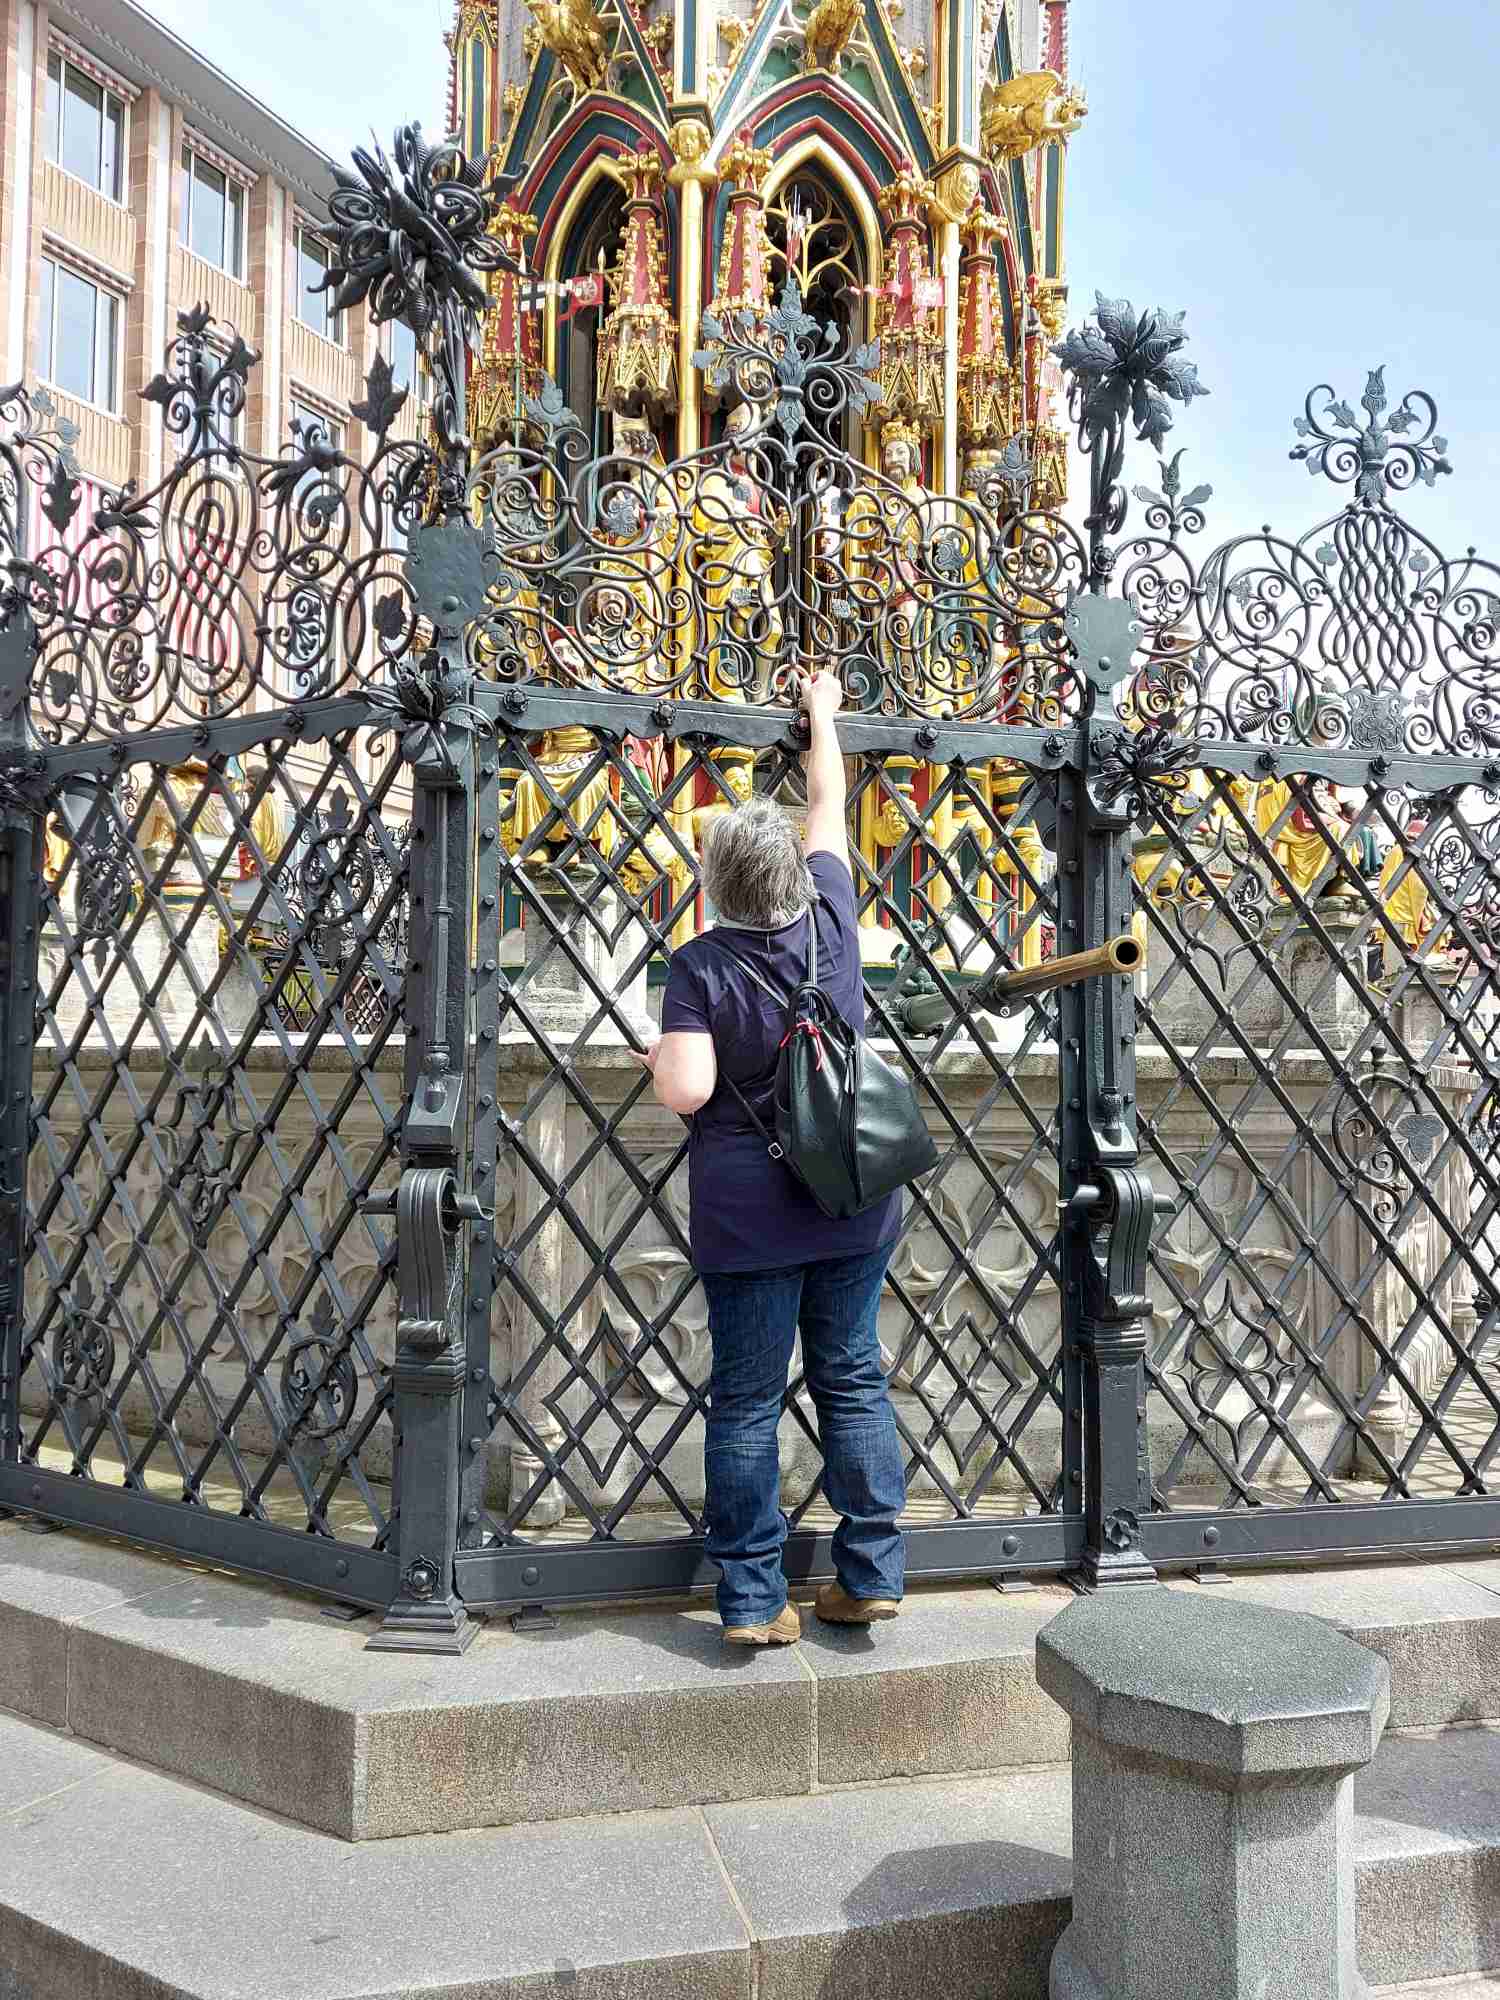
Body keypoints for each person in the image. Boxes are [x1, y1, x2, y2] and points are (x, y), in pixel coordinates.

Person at [635, 671, 907, 1645]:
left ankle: (754, 1597)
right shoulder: (832, 918)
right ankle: (869, 1571)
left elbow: (687, 1090)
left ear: (715, 888)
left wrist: (662, 1054)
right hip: (852, 1196)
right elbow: (830, 801)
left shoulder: (700, 965)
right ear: (792, 873)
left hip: (749, 1215)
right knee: (853, 1376)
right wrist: (822, 713)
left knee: (747, 1399)